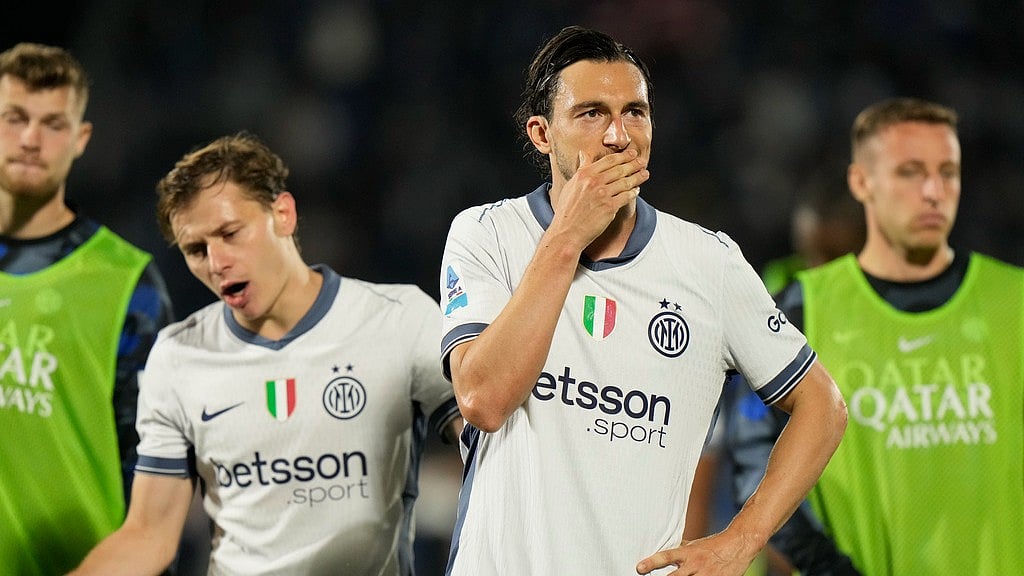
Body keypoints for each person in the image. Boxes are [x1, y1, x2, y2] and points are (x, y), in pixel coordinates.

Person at [438, 25, 848, 576]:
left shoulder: (709, 264)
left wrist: (740, 540)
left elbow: (824, 407)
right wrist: (565, 239)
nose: (617, 135)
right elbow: (483, 400)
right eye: (590, 114)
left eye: (635, 112)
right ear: (542, 134)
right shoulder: (487, 235)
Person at [69, 132, 463, 575]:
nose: (216, 261)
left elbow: (487, 443)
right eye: (196, 250)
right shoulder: (179, 356)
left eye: (230, 233)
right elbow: (148, 536)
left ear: (283, 214)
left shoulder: (398, 319)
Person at [723, 97, 1024, 575]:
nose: (933, 190)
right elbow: (753, 460)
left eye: (948, 171)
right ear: (861, 182)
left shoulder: (1016, 302)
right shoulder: (799, 309)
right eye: (909, 171)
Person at [0, 42, 174, 575]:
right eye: (14, 117)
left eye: (53, 123)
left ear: (81, 139)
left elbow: (157, 480)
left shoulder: (127, 284)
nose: (31, 139)